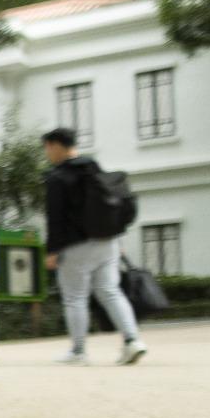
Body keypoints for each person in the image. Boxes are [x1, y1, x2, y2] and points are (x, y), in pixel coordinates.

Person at [42, 127, 147, 365]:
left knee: (75, 297)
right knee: (110, 291)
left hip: (75, 245)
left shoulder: (57, 177)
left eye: (47, 148)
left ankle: (78, 351)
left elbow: (55, 217)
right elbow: (109, 205)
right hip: (107, 241)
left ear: (56, 145)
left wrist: (52, 251)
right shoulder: (94, 168)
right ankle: (132, 341)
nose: (47, 153)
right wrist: (117, 238)